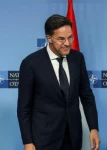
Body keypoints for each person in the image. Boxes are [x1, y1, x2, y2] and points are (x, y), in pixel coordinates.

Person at [17, 14, 100, 150]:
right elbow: (23, 108)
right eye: (61, 39)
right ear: (49, 38)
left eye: (70, 37)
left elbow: (87, 95)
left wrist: (94, 128)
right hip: (43, 139)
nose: (67, 43)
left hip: (73, 137)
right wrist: (28, 141)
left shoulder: (77, 58)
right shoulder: (30, 63)